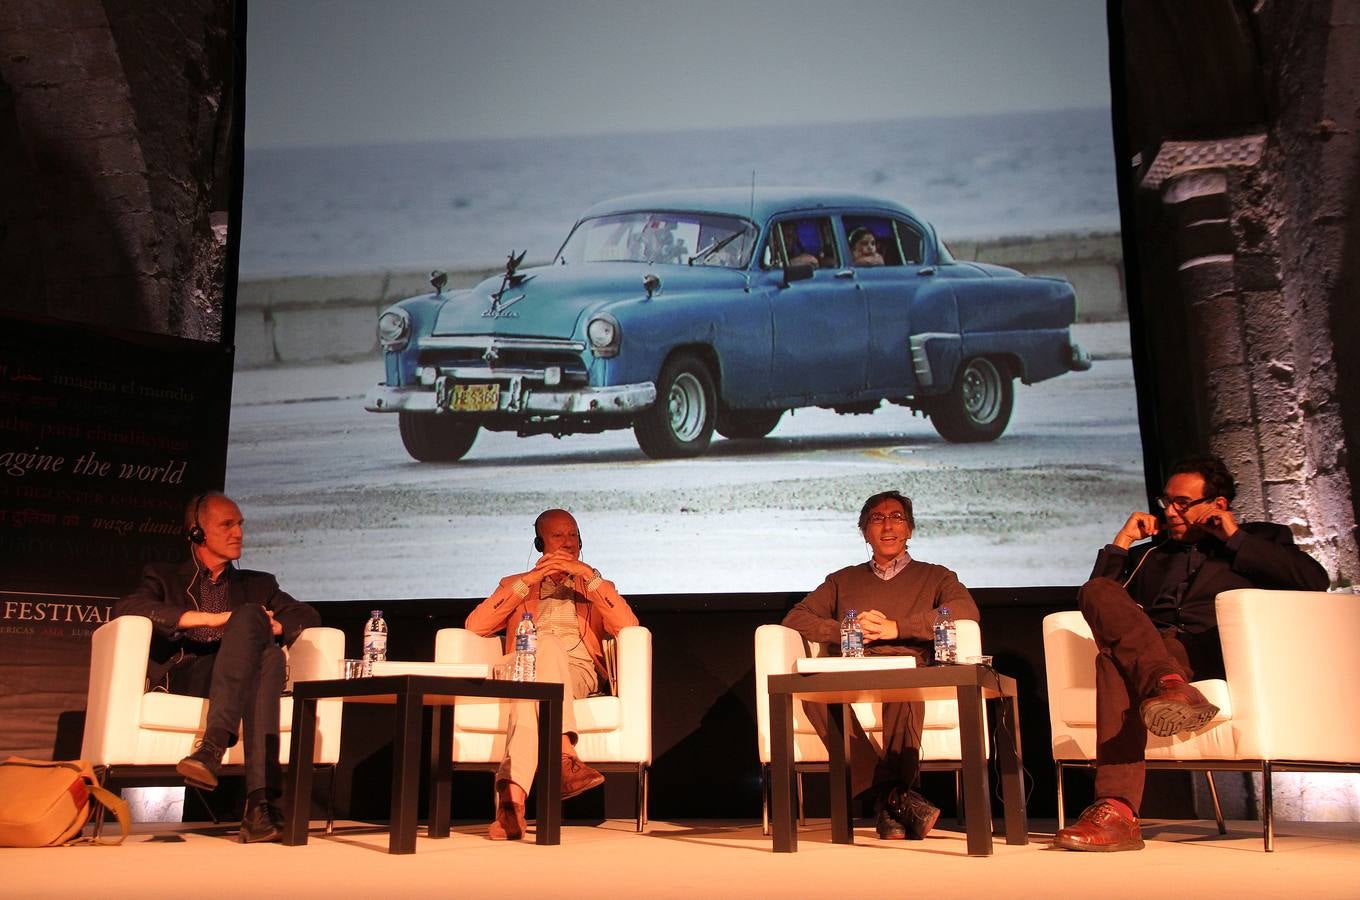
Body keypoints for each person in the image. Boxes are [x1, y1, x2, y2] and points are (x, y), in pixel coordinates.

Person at [1053, 455, 1329, 852]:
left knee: (1114, 660)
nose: (1170, 510)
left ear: (1217, 504)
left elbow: (1313, 580)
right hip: (1160, 648)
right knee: (1098, 599)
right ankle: (1167, 685)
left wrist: (1234, 537)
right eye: (1166, 501)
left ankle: (1119, 811)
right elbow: (1098, 603)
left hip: (1212, 649)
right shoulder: (1152, 553)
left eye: (1182, 502)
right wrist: (1123, 542)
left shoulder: (1262, 539)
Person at [114, 491, 320, 844]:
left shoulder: (259, 584)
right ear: (197, 533)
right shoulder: (165, 576)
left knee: (268, 655)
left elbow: (306, 614)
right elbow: (128, 607)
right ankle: (262, 803)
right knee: (253, 624)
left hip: (243, 677)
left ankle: (214, 755)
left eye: (240, 524)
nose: (238, 532)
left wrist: (278, 627)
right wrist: (209, 619)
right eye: (227, 524)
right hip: (190, 673)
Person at [782, 490, 979, 840]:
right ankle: (897, 796)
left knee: (904, 683)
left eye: (897, 517)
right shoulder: (843, 579)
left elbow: (965, 611)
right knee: (811, 689)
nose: (888, 525)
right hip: (854, 667)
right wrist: (847, 627)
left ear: (910, 530)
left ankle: (888, 807)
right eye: (877, 518)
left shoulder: (935, 576)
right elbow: (796, 617)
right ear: (864, 532)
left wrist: (897, 628)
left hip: (906, 665)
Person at [466, 508, 640, 840]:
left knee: (538, 672)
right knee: (537, 662)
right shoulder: (515, 585)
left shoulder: (595, 586)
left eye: (573, 535)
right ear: (539, 542)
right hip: (518, 667)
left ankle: (512, 801)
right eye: (558, 536)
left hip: (576, 672)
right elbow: (476, 626)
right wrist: (527, 582)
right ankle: (563, 755)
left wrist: (589, 576)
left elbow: (628, 627)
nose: (568, 543)